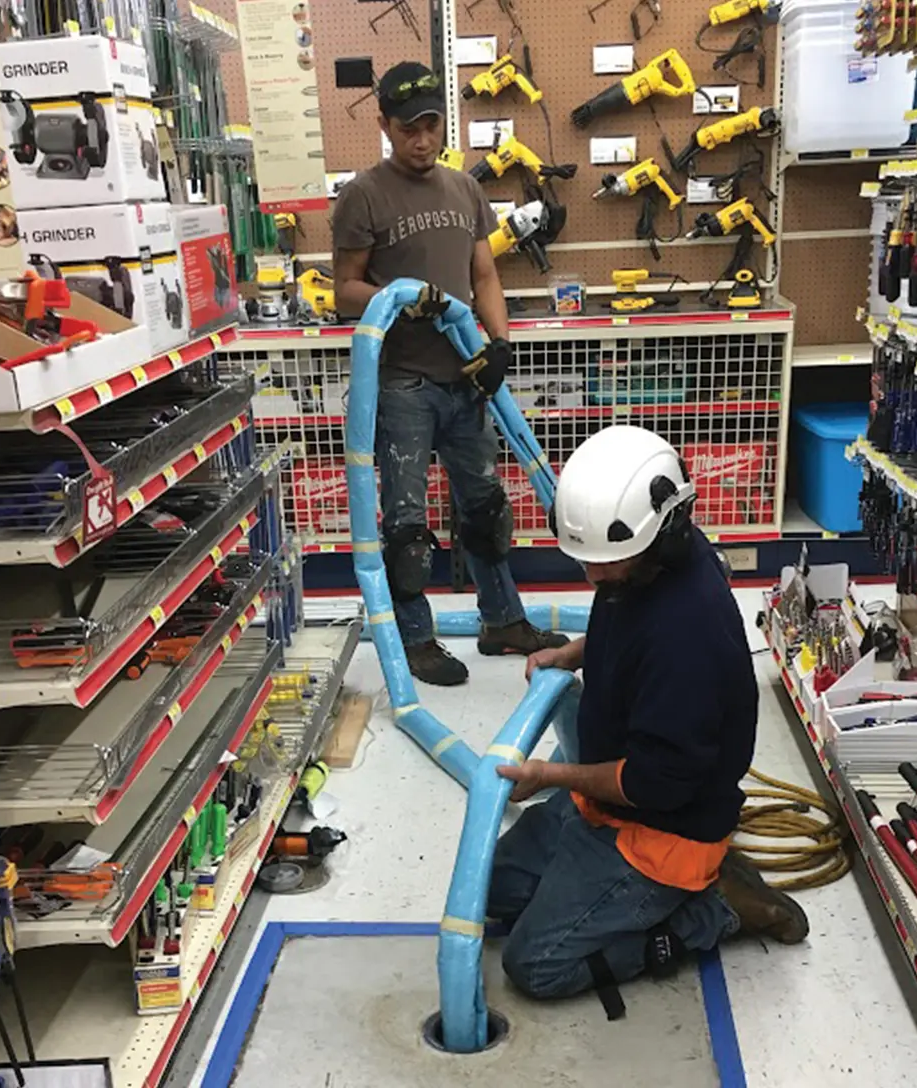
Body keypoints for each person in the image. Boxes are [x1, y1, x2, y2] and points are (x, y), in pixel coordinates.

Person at [489, 425, 809, 1014]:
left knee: (534, 963)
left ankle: (712, 911)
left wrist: (551, 776)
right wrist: (573, 652)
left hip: (661, 833)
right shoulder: (662, 556)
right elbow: (627, 621)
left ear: (660, 534)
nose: (592, 578)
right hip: (604, 803)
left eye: (604, 564)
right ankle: (676, 887)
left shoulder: (686, 637)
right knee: (491, 893)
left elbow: (648, 782)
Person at [331, 61, 567, 687]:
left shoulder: (465, 190)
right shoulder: (363, 196)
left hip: (466, 377)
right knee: (407, 528)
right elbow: (344, 290)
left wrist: (501, 344)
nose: (422, 138)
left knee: (485, 509)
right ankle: (415, 640)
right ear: (384, 124)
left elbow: (485, 275)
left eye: (432, 125)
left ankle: (502, 620)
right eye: (409, 127)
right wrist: (401, 296)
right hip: (402, 384)